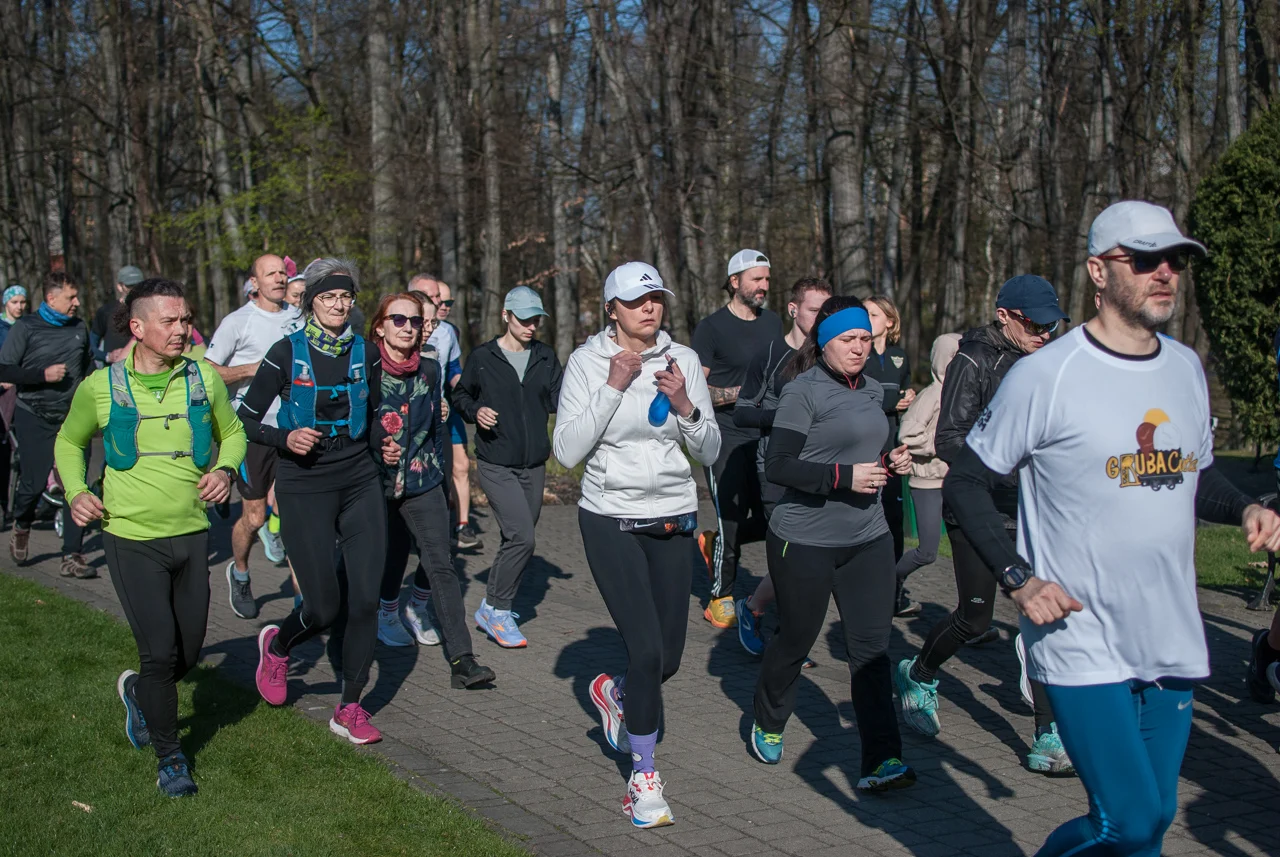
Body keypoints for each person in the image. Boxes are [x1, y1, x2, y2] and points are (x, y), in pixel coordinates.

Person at [944, 200, 1280, 855]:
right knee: (1124, 822)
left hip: (1169, 625)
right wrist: (1018, 578)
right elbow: (965, 480)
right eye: (1145, 259)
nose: (1165, 273)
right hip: (1082, 631)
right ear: (1098, 271)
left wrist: (1245, 508)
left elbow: (1193, 470)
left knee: (1153, 821)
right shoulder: (1046, 374)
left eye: (1174, 259)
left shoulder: (1183, 366)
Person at [55, 278, 246, 797]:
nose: (182, 329)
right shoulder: (101, 387)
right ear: (137, 327)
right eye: (171, 321)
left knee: (188, 652)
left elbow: (233, 433)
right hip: (131, 536)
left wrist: (225, 469)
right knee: (159, 653)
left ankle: (139, 693)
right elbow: (69, 441)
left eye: (186, 320)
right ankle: (171, 758)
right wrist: (76, 491)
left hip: (193, 533)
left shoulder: (203, 377)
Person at [553, 261, 720, 828]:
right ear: (611, 309)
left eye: (656, 299)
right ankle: (643, 780)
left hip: (673, 515)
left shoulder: (684, 360)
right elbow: (567, 451)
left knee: (667, 659)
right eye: (635, 301)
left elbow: (710, 450)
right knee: (646, 650)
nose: (649, 308)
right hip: (610, 517)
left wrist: (686, 407)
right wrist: (612, 387)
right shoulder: (587, 362)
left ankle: (617, 691)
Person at [893, 274, 1076, 776]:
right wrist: (1007, 468)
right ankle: (919, 673)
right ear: (1005, 317)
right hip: (977, 506)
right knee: (975, 619)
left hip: (1032, 509)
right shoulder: (972, 359)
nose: (1045, 334)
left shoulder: (1047, 361)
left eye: (1052, 326)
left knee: (1040, 615)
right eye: (1035, 325)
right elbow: (949, 438)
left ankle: (1046, 733)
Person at [747, 296, 916, 792]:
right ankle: (768, 718)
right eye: (848, 339)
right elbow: (779, 465)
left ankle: (882, 759)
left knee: (871, 650)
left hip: (868, 538)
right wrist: (844, 477)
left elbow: (863, 449)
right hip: (804, 539)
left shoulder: (873, 391)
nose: (859, 348)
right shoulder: (803, 391)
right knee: (797, 639)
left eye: (865, 338)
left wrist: (890, 462)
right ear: (824, 342)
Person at [244, 258, 388, 744]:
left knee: (365, 600)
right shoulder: (285, 352)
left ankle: (350, 707)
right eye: (328, 297)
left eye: (346, 297)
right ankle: (279, 646)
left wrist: (384, 443)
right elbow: (245, 418)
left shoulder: (367, 352)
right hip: (304, 481)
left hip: (359, 478)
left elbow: (373, 417)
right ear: (311, 302)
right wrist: (284, 438)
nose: (339, 305)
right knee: (324, 608)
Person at [367, 291, 496, 688]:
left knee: (441, 563)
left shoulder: (430, 368)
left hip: (422, 480)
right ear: (380, 327)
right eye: (399, 320)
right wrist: (378, 445)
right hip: (374, 483)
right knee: (384, 557)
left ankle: (463, 660)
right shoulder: (366, 368)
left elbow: (434, 427)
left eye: (415, 321)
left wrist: (441, 478)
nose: (409, 327)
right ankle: (380, 614)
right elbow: (356, 423)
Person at [452, 286, 563, 648]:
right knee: (522, 537)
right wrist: (476, 411)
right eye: (524, 319)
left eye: (536, 320)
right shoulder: (483, 357)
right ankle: (497, 610)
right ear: (506, 316)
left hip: (534, 464)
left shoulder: (545, 357)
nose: (531, 326)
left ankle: (493, 607)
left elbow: (561, 400)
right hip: (496, 462)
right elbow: (460, 395)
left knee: (514, 538)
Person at [732, 276, 832, 657]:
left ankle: (753, 607)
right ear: (793, 309)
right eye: (814, 310)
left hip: (818, 467)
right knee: (793, 555)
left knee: (809, 556)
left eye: (826, 311)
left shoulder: (830, 355)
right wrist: (788, 418)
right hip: (774, 466)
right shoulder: (770, 354)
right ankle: (787, 642)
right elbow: (742, 413)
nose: (821, 318)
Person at [205, 253, 303, 619]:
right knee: (256, 517)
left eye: (282, 272)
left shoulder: (300, 319)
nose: (279, 278)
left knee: (297, 517)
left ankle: (303, 600)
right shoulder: (238, 322)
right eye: (270, 273)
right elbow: (209, 372)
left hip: (293, 430)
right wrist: (254, 370)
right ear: (255, 282)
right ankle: (241, 572)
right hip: (253, 431)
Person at [693, 249, 783, 628]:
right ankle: (720, 596)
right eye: (756, 279)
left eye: (767, 279)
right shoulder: (711, 328)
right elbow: (696, 389)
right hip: (725, 435)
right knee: (730, 518)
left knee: (773, 518)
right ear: (734, 282)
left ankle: (715, 545)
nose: (764, 286)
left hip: (766, 435)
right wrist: (742, 395)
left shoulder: (774, 324)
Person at [0, 272, 93, 577]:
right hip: (34, 415)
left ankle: (72, 555)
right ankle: (22, 524)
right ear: (51, 299)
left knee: (75, 485)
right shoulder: (26, 327)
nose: (77, 302)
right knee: (33, 483)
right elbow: (5, 370)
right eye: (71, 297)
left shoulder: (79, 327)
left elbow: (89, 366)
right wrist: (42, 375)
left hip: (73, 418)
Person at [892, 333, 963, 615]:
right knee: (928, 552)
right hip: (928, 484)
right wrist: (942, 443)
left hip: (956, 482)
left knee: (968, 549)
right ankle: (889, 585)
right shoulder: (931, 395)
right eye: (955, 358)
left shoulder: (962, 395)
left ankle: (970, 613)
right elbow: (907, 435)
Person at [408, 274, 480, 550]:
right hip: (407, 422)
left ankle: (455, 528)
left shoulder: (447, 332)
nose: (440, 303)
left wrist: (468, 393)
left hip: (441, 415)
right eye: (434, 297)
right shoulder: (398, 329)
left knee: (451, 470)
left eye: (443, 299)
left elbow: (452, 371)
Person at [862, 297, 914, 584]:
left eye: (873, 314)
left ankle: (894, 586)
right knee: (866, 511)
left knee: (894, 516)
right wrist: (893, 402)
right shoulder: (858, 353)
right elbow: (859, 398)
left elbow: (904, 391)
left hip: (892, 446)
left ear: (890, 322)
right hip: (865, 446)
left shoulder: (900, 356)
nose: (867, 318)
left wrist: (909, 396)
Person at [0, 284, 27, 524]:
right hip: (3, 392)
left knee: (22, 448)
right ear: (6, 303)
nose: (19, 307)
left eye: (22, 302)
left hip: (23, 390)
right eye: (14, 302)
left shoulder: (28, 326)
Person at [91, 265, 145, 366]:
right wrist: (107, 356)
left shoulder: (150, 311)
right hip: (115, 371)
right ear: (120, 286)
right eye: (130, 286)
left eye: (139, 285)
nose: (135, 290)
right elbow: (90, 346)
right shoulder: (105, 311)